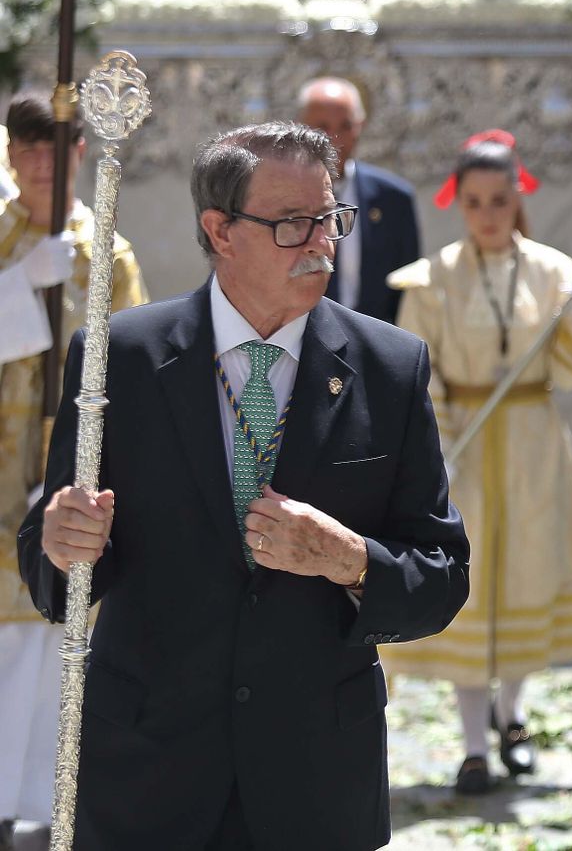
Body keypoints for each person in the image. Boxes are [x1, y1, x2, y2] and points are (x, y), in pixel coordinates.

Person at [16, 121, 469, 849]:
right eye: (293, 224)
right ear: (220, 231)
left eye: (331, 218)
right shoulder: (119, 357)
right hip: (147, 776)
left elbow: (441, 577)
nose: (321, 244)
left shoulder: (390, 367)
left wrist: (350, 559)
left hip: (314, 780)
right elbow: (55, 563)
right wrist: (63, 542)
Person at [384, 131, 572, 794]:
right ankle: (473, 746)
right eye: (476, 202)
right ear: (459, 204)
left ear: (518, 199)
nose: (488, 215)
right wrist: (436, 447)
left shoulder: (552, 272)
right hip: (463, 443)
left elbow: (569, 369)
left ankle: (513, 715)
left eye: (500, 201)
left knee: (527, 575)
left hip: (533, 442)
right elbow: (415, 369)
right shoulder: (432, 279)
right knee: (471, 584)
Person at [0, 93, 146, 844]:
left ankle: (49, 804)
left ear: (81, 155)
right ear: (9, 155)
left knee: (52, 640)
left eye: (55, 149)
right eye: (27, 149)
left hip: (64, 476)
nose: (41, 165)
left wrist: (77, 470)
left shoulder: (107, 251)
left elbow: (131, 368)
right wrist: (16, 286)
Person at [298, 76, 421, 324]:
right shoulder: (278, 197)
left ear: (360, 126)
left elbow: (407, 289)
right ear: (301, 128)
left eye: (345, 126)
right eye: (322, 127)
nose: (334, 139)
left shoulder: (394, 199)